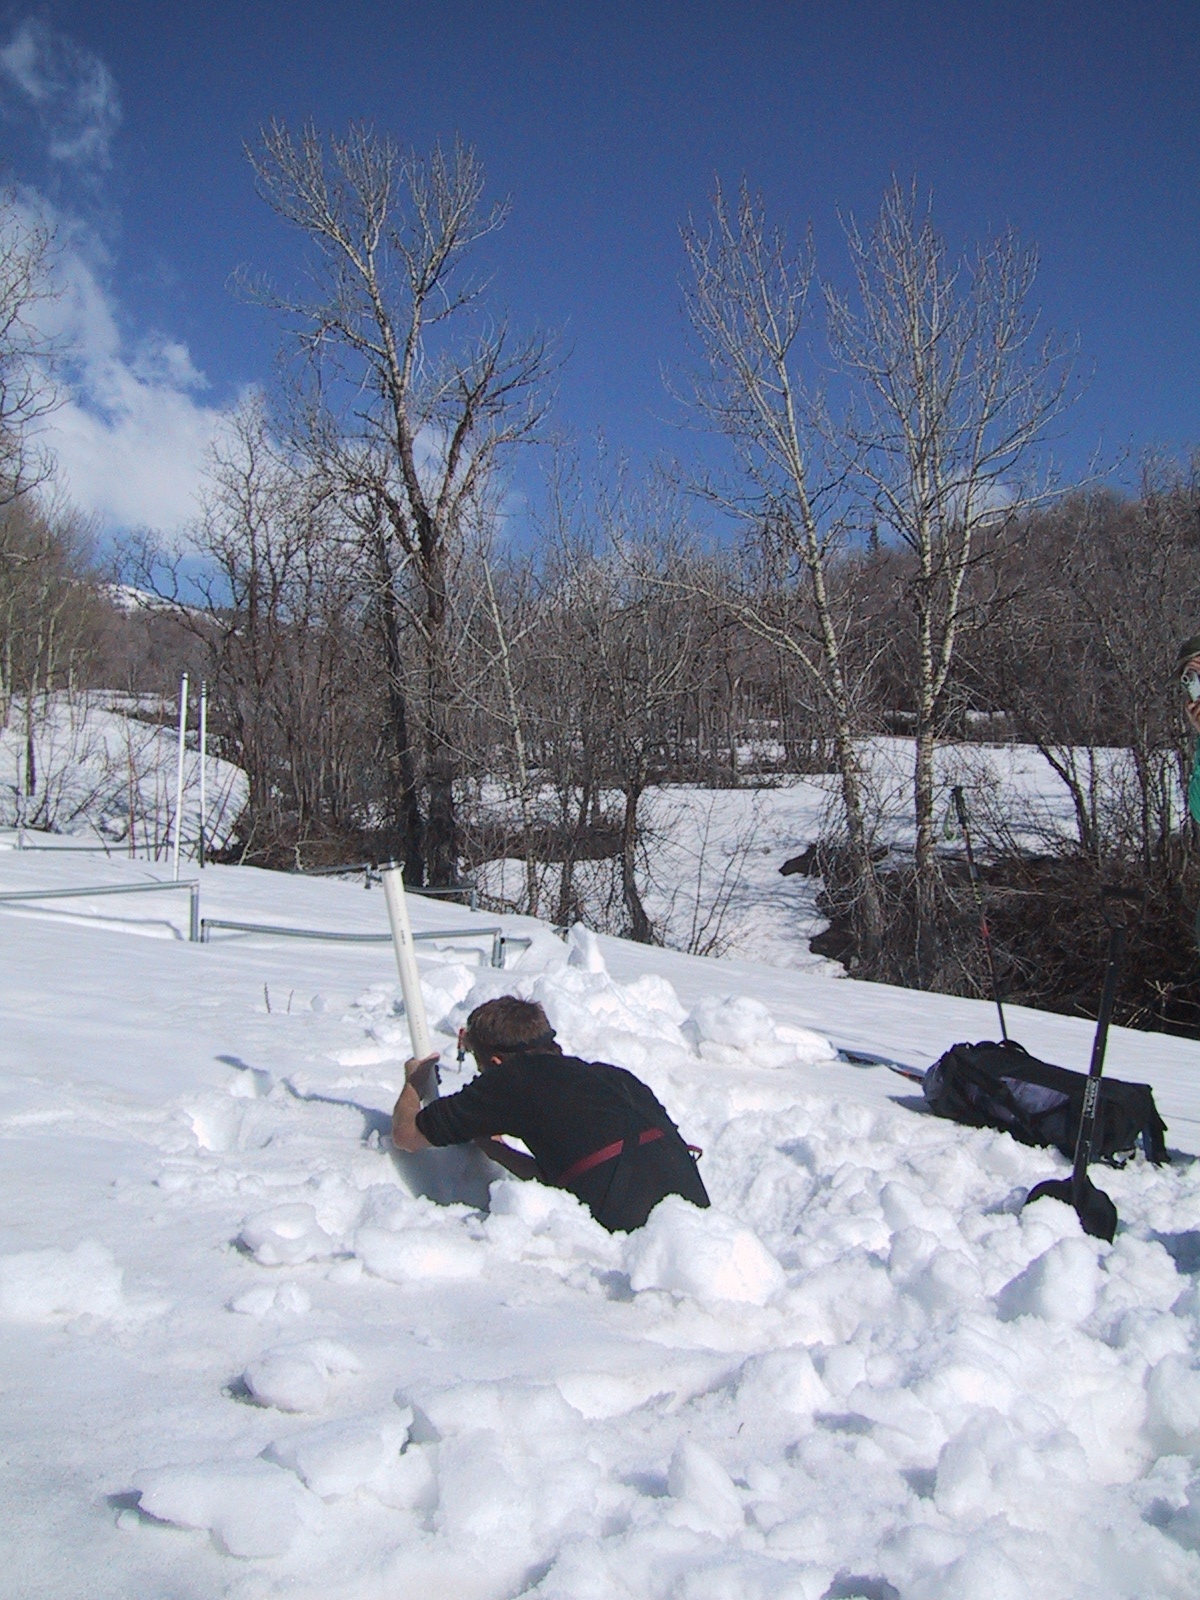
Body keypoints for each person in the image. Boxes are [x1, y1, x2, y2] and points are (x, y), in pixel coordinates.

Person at [391, 996, 710, 1233]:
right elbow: (571, 1172)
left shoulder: (509, 1081)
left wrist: (415, 1082)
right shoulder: (614, 1078)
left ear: (497, 1062)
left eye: (479, 1063)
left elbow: (406, 1136)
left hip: (628, 1240)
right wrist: (495, 1149)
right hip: (697, 1225)